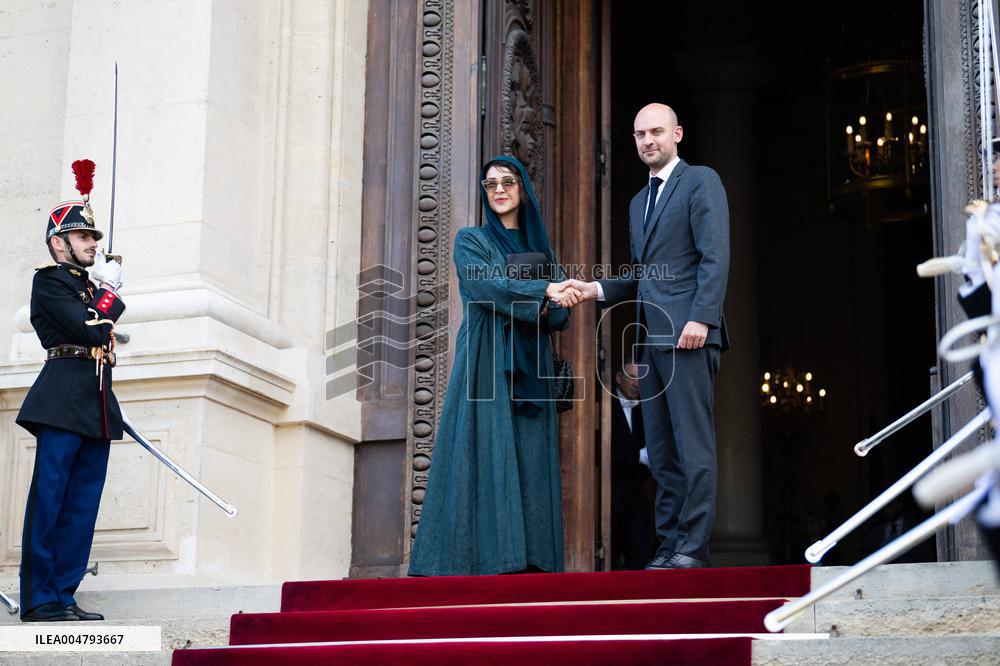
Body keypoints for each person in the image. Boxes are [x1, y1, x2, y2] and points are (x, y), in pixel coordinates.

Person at [556, 103, 730, 569]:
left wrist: (703, 319)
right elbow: (643, 275)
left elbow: (715, 256)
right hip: (654, 338)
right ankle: (671, 544)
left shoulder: (700, 181)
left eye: (656, 131)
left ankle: (693, 547)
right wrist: (592, 288)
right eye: (639, 134)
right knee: (662, 448)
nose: (648, 140)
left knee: (693, 445)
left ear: (677, 133)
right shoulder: (638, 203)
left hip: (691, 334)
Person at [408, 155, 580, 576]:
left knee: (530, 451)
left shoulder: (541, 249)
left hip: (531, 360)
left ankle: (532, 561)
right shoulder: (472, 240)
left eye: (507, 182)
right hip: (487, 358)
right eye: (490, 185)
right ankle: (481, 559)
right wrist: (545, 291)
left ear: (523, 188)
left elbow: (559, 317)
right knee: (486, 445)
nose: (499, 190)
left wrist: (560, 300)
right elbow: (485, 285)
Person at [16, 161, 125, 622]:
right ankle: (39, 597)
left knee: (82, 506)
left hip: (96, 401)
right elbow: (91, 328)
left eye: (94, 239)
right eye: (84, 238)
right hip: (61, 398)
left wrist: (103, 291)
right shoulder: (50, 280)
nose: (92, 245)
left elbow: (102, 325)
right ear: (59, 242)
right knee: (51, 499)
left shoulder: (87, 285)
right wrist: (108, 294)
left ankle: (64, 592)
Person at [610, 357, 654, 570]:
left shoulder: (648, 410)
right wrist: (638, 456)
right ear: (619, 377)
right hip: (610, 493)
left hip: (637, 492)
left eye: (641, 378)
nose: (637, 383)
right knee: (610, 550)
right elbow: (603, 450)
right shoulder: (605, 407)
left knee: (640, 553)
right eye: (632, 376)